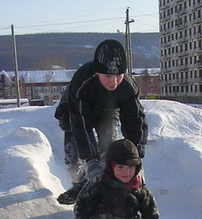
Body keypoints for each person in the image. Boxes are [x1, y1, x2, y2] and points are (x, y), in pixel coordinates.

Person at [55, 39, 148, 204]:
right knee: (73, 160)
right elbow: (80, 123)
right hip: (75, 114)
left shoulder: (127, 87)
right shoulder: (82, 81)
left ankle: (107, 189)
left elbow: (135, 121)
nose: (113, 82)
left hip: (107, 112)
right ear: (97, 72)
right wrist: (91, 161)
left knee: (108, 151)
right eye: (107, 76)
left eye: (118, 76)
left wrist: (135, 158)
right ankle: (80, 184)